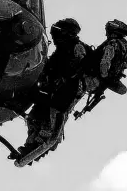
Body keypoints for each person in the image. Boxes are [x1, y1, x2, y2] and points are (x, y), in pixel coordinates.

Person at [17, 18, 91, 159]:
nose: (54, 39)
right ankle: (31, 144)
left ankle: (41, 143)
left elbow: (79, 68)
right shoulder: (59, 52)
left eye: (56, 34)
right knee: (34, 117)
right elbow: (47, 70)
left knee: (51, 118)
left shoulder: (77, 47)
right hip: (52, 90)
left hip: (65, 92)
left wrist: (63, 81)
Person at [83, 19, 127, 96]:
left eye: (107, 31)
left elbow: (105, 61)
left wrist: (103, 76)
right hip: (112, 79)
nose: (106, 34)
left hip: (97, 77)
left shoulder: (112, 43)